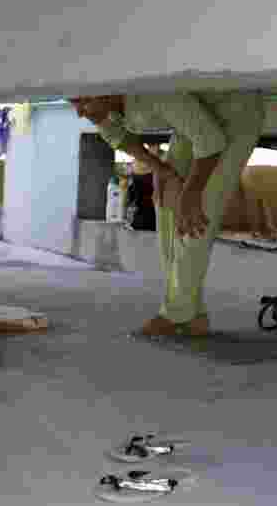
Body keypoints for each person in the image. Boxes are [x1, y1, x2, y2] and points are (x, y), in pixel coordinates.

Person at [72, 90, 264, 337]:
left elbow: (211, 141)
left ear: (104, 90)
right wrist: (164, 173)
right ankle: (193, 313)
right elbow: (117, 135)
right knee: (166, 203)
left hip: (234, 113)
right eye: (73, 103)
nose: (79, 112)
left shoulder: (153, 91)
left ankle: (175, 313)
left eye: (83, 101)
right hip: (198, 117)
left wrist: (191, 193)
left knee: (195, 214)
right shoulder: (104, 102)